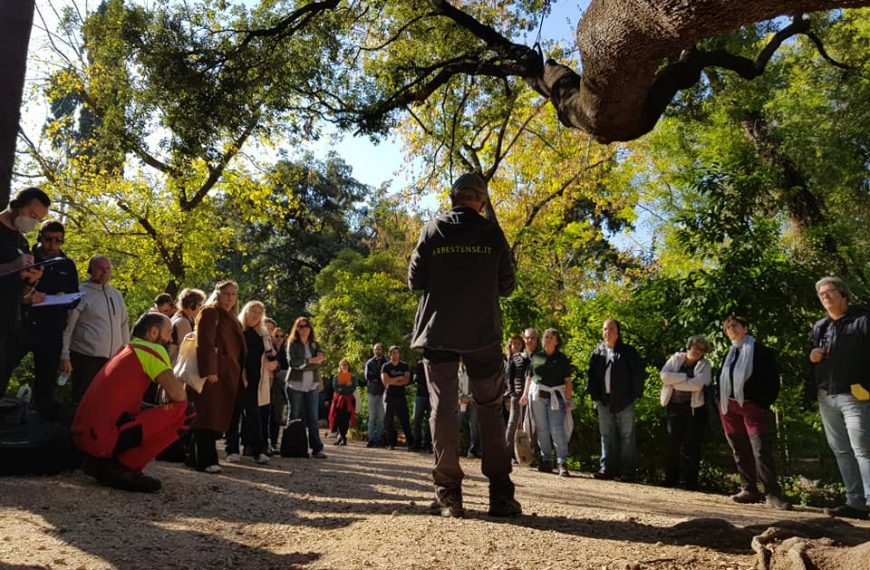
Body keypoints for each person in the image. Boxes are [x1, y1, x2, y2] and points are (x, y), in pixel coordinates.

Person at [408, 172, 520, 518]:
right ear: (482, 201)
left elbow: (414, 281)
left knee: (442, 407)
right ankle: (500, 496)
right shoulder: (491, 232)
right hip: (483, 333)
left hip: (439, 331)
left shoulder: (432, 229)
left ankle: (448, 495)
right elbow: (507, 284)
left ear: (453, 198)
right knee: (489, 408)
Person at [72, 312, 195, 492]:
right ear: (154, 333)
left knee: (152, 411)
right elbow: (179, 396)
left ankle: (102, 463)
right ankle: (124, 468)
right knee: (186, 412)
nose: (171, 339)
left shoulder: (125, 349)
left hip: (84, 435)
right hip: (101, 440)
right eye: (169, 332)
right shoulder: (151, 350)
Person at [807, 277, 870, 520]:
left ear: (843, 294)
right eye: (821, 293)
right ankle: (855, 503)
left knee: (863, 447)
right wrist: (811, 355)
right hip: (826, 396)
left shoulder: (862, 321)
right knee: (841, 449)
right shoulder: (820, 326)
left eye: (829, 291)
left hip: (856, 395)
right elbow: (811, 361)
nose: (824, 296)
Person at [4, 220, 78, 414]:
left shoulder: (67, 264)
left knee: (46, 380)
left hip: (52, 328)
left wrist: (64, 298)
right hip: (24, 324)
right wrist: (28, 296)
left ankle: (40, 418)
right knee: (5, 364)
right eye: (49, 240)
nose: (53, 245)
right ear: (40, 237)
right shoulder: (27, 257)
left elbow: (75, 297)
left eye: (58, 241)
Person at [718, 315, 791, 510]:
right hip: (729, 407)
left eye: (735, 325)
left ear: (745, 328)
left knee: (760, 449)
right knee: (739, 448)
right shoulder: (729, 354)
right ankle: (749, 488)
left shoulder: (761, 352)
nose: (731, 329)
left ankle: (772, 493)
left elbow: (772, 381)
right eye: (727, 327)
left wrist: (762, 403)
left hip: (753, 407)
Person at [188, 280, 246, 473]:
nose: (230, 297)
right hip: (215, 374)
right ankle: (206, 460)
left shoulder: (232, 317)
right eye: (226, 293)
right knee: (207, 415)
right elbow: (204, 342)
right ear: (218, 294)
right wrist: (210, 370)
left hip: (229, 373)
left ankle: (196, 458)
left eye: (233, 294)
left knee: (218, 414)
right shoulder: (210, 312)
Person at [0, 187, 50, 397]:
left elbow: (22, 294)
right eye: (32, 214)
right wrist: (13, 266)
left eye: (38, 219)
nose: (33, 221)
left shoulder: (22, 241)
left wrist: (31, 281)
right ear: (18, 204)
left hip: (9, 324)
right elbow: (10, 268)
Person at [60, 255, 130, 403]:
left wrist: (125, 352)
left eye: (108, 268)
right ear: (91, 270)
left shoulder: (116, 294)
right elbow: (67, 327)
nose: (104, 272)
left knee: (106, 398)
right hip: (85, 357)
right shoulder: (81, 293)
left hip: (113, 359)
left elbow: (124, 323)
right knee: (84, 398)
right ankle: (78, 425)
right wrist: (64, 355)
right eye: (100, 268)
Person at [588, 319, 644, 481]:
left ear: (618, 332)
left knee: (627, 435)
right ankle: (607, 468)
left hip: (625, 401)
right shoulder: (597, 352)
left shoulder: (628, 352)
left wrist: (634, 394)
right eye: (605, 329)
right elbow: (591, 376)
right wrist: (595, 396)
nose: (608, 332)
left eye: (611, 329)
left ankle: (628, 471)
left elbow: (638, 374)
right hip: (604, 400)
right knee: (606, 434)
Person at [659, 335, 712, 490]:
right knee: (672, 443)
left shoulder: (705, 364)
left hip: (694, 409)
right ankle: (671, 479)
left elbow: (698, 385)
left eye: (702, 349)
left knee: (692, 445)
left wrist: (676, 383)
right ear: (689, 346)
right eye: (696, 347)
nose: (698, 351)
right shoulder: (676, 359)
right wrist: (685, 377)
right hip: (673, 407)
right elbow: (664, 376)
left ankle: (691, 482)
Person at [225, 300, 275, 465]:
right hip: (236, 378)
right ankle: (231, 449)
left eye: (259, 313)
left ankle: (258, 451)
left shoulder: (262, 334)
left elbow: (272, 357)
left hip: (256, 380)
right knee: (233, 415)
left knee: (254, 416)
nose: (255, 315)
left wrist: (273, 361)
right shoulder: (236, 330)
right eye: (253, 311)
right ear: (246, 312)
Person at [520, 328, 574, 477]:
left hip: (555, 397)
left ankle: (562, 462)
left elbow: (568, 382)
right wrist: (525, 394)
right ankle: (547, 460)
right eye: (545, 337)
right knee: (542, 429)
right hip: (537, 396)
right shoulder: (536, 356)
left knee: (556, 428)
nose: (547, 339)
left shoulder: (562, 359)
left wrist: (568, 401)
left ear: (557, 341)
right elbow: (529, 378)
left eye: (550, 337)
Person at [286, 316, 327, 459]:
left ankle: (317, 449)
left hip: (312, 385)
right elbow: (292, 363)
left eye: (306, 326)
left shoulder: (315, 344)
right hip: (295, 385)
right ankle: (292, 447)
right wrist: (310, 360)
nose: (304, 329)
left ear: (310, 328)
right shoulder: (292, 343)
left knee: (313, 418)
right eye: (301, 326)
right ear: (296, 329)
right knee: (294, 417)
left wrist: (304, 363)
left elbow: (319, 362)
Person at [381, 345, 414, 450]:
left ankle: (411, 444)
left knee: (405, 420)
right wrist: (399, 378)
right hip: (389, 396)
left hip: (401, 396)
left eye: (397, 352)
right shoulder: (386, 366)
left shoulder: (404, 366)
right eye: (393, 352)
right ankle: (391, 443)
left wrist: (392, 380)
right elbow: (385, 382)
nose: (396, 354)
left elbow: (406, 381)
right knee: (389, 421)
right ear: (390, 354)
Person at [505, 332, 530, 459]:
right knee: (513, 422)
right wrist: (512, 392)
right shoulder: (510, 358)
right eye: (514, 343)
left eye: (519, 343)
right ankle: (507, 452)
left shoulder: (526, 357)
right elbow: (509, 376)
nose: (516, 345)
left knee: (525, 423)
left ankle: (522, 453)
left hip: (527, 394)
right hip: (514, 395)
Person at [168, 288, 205, 364]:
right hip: (176, 365)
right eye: (200, 305)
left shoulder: (180, 316)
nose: (202, 308)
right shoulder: (183, 322)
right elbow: (187, 349)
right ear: (192, 305)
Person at [268, 324, 289, 454]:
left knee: (277, 415)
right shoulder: (271, 350)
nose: (280, 338)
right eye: (277, 336)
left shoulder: (284, 352)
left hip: (281, 389)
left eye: (282, 336)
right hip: (271, 386)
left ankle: (274, 442)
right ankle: (270, 442)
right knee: (270, 415)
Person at [329, 358, 358, 446]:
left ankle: (343, 437)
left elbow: (352, 387)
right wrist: (345, 386)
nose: (344, 366)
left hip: (349, 400)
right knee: (338, 419)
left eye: (346, 365)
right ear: (340, 367)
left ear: (348, 366)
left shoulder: (352, 377)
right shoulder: (336, 377)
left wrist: (343, 387)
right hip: (339, 401)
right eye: (343, 365)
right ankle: (341, 437)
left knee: (346, 419)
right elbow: (336, 387)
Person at [364, 343, 386, 447]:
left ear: (382, 350)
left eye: (379, 349)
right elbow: (368, 376)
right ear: (373, 351)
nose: (377, 351)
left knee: (381, 418)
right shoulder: (369, 363)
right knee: (372, 417)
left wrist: (377, 377)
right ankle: (371, 438)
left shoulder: (386, 363)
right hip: (372, 392)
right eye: (376, 349)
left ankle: (379, 439)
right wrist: (379, 378)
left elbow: (386, 377)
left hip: (383, 393)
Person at [457, 360, 480, 458]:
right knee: (456, 423)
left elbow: (478, 385)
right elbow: (454, 384)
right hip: (460, 400)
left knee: (474, 425)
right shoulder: (458, 369)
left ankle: (472, 450)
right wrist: (461, 396)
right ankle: (455, 448)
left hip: (473, 400)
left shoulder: (476, 369)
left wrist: (470, 397)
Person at [410, 359, 432, 452]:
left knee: (430, 421)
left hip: (432, 396)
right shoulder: (420, 364)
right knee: (417, 419)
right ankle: (417, 443)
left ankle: (428, 444)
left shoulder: (435, 363)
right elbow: (416, 379)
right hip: (420, 395)